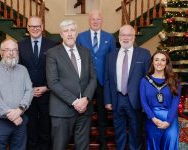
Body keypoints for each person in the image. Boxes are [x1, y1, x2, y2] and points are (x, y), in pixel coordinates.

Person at [46, 19, 97, 150]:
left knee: (83, 146)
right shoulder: (52, 53)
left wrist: (86, 99)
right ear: (61, 34)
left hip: (84, 110)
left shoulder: (85, 52)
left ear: (77, 33)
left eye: (72, 30)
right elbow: (53, 82)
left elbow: (93, 78)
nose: (69, 34)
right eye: (66, 31)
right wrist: (75, 102)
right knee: (59, 146)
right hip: (62, 110)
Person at [104, 24, 151, 150]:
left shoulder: (144, 54)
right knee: (118, 133)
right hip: (117, 99)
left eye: (129, 35)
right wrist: (108, 100)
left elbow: (148, 80)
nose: (126, 38)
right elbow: (107, 79)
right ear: (118, 37)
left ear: (134, 37)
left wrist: (145, 102)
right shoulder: (110, 56)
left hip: (136, 101)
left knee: (136, 134)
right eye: (123, 35)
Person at [76, 10, 116, 149]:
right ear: (89, 20)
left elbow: (112, 60)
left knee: (102, 115)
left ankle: (103, 142)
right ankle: (83, 142)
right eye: (93, 19)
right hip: (86, 82)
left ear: (102, 20)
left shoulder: (109, 37)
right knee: (84, 114)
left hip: (103, 82)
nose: (95, 21)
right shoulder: (80, 37)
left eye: (98, 19)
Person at [0, 39, 33, 150]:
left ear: (18, 53)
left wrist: (20, 110)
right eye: (7, 50)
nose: (11, 53)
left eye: (14, 50)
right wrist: (11, 115)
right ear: (1, 52)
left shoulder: (23, 70)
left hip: (20, 122)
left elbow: (29, 91)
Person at [18, 16, 57, 150]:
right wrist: (29, 89)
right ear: (27, 28)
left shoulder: (52, 45)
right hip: (27, 95)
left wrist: (47, 87)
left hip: (47, 93)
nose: (35, 29)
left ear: (42, 27)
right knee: (31, 128)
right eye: (32, 26)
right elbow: (18, 70)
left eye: (38, 26)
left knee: (46, 128)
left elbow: (56, 70)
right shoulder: (20, 45)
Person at [140, 51, 180, 150]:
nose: (159, 62)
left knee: (170, 144)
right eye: (156, 60)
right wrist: (153, 118)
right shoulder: (144, 81)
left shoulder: (174, 80)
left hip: (170, 119)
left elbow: (175, 102)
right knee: (154, 146)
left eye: (163, 60)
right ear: (152, 62)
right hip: (153, 118)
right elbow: (143, 101)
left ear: (167, 63)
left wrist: (168, 121)